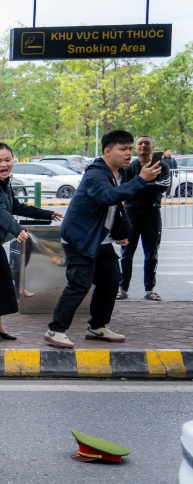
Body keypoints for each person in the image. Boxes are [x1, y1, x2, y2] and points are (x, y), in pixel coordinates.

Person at [44, 130, 161, 349]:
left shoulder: (116, 173)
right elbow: (108, 197)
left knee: (110, 282)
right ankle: (55, 330)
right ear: (107, 151)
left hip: (101, 239)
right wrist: (141, 180)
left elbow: (114, 209)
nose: (128, 154)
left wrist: (121, 234)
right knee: (79, 284)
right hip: (81, 239)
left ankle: (97, 327)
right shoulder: (96, 174)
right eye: (123, 149)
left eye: (129, 149)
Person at [0, 143, 61, 348]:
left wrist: (47, 214)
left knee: (1, 285)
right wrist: (16, 230)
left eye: (7, 160)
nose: (4, 165)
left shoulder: (2, 182)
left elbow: (14, 206)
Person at [118, 135, 170, 302]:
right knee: (126, 254)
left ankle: (149, 289)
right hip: (131, 215)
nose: (143, 146)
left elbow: (163, 186)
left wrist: (138, 185)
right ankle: (123, 288)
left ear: (152, 147)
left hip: (152, 215)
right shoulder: (128, 168)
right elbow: (125, 189)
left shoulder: (162, 166)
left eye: (147, 143)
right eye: (140, 143)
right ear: (135, 148)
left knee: (151, 254)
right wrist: (147, 185)